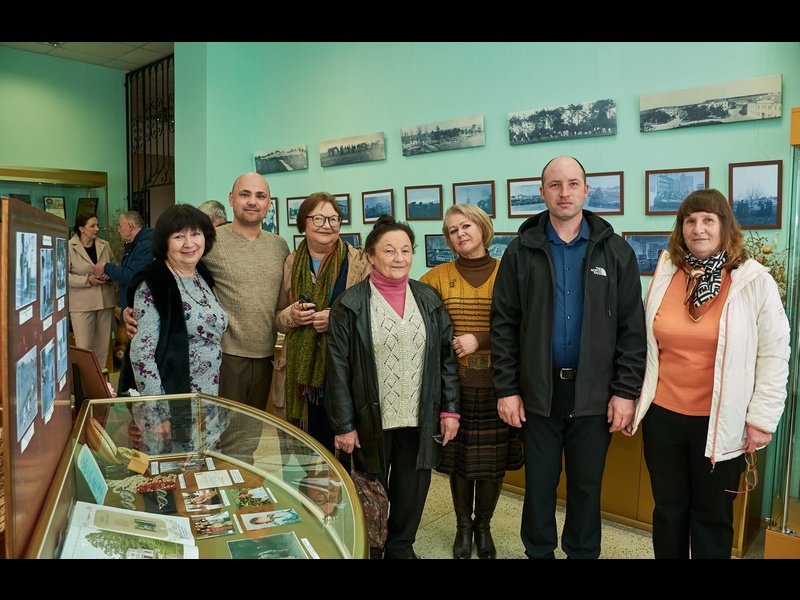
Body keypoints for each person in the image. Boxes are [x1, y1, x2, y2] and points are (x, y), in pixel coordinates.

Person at [490, 155, 647, 559]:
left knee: (586, 488)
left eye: (573, 184)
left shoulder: (616, 252)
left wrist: (626, 392)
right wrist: (506, 389)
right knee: (539, 487)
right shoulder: (520, 252)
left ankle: (582, 553)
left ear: (586, 190)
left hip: (595, 395)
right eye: (555, 185)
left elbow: (632, 329)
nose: (565, 192)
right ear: (542, 192)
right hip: (537, 394)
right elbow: (504, 325)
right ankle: (538, 552)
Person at [631, 188, 790, 559]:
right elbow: (647, 344)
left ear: (725, 227)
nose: (698, 228)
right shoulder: (666, 273)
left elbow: (774, 354)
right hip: (663, 418)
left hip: (721, 422)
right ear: (680, 228)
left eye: (708, 220)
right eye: (690, 220)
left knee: (712, 516)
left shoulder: (754, 281)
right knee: (668, 511)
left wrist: (761, 420)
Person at [325, 214, 461, 560]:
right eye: (389, 250)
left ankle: (401, 547)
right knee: (370, 489)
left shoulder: (428, 298)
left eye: (405, 250)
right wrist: (344, 425)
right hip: (369, 418)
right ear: (371, 255)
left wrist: (450, 410)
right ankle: (371, 548)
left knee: (412, 488)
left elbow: (446, 358)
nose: (399, 258)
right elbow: (337, 369)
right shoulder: (349, 305)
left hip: (420, 415)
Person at [419, 203, 524, 559]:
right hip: (454, 387)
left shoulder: (508, 272)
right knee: (460, 463)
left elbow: (524, 325)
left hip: (501, 386)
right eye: (453, 230)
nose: (460, 233)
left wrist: (479, 339)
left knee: (492, 465)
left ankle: (484, 526)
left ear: (482, 228)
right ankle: (463, 526)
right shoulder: (436, 278)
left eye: (466, 226)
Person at [117, 203, 228, 455]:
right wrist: (160, 414)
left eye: (195, 234)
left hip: (206, 398)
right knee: (171, 469)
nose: (189, 243)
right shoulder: (153, 283)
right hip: (172, 402)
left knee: (199, 468)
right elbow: (142, 357)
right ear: (164, 242)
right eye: (179, 236)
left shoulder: (201, 274)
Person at [273, 192, 371, 451]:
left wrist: (336, 320)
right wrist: (292, 316)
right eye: (318, 218)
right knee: (301, 451)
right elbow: (278, 318)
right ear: (303, 223)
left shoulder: (358, 262)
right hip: (298, 378)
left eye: (333, 219)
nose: (327, 225)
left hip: (342, 374)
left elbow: (372, 316)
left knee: (338, 453)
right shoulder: (291, 262)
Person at [68, 213, 118, 369]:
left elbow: (115, 267)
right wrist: (87, 280)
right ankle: (84, 383)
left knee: (103, 349)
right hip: (82, 305)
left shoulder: (105, 245)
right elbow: (61, 276)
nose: (97, 228)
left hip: (105, 302)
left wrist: (108, 275)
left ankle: (100, 382)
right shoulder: (68, 247)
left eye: (97, 225)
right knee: (84, 348)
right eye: (92, 226)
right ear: (81, 228)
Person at [92, 210, 154, 321]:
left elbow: (134, 275)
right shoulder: (134, 245)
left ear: (130, 226)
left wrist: (106, 268)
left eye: (120, 226)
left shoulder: (145, 245)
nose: (118, 230)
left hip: (141, 310)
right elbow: (127, 270)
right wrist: (110, 274)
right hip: (134, 307)